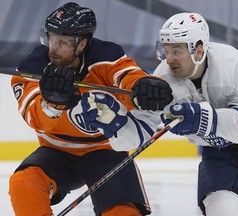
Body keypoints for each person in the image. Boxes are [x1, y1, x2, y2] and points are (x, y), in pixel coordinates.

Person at [9, 2, 173, 216]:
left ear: (82, 44)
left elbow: (128, 76)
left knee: (123, 212)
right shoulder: (32, 67)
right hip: (56, 152)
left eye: (62, 42)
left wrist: (143, 87)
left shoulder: (105, 55)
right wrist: (51, 103)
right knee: (23, 182)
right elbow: (33, 116)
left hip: (105, 152)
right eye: (51, 38)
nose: (53, 48)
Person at [154, 12, 238, 216]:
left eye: (176, 51)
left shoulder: (231, 62)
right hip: (219, 153)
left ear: (198, 50)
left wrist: (202, 118)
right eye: (165, 51)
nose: (169, 59)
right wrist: (116, 119)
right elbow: (141, 124)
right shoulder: (162, 78)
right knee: (222, 210)